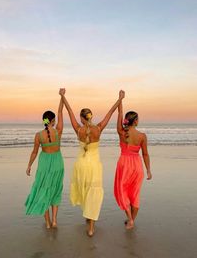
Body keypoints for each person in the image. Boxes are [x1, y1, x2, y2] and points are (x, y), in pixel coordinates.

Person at [59, 88, 124, 237]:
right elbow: (111, 112)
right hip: (94, 166)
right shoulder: (98, 128)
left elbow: (68, 111)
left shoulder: (78, 129)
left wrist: (63, 96)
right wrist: (120, 99)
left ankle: (87, 217)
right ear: (90, 117)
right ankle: (91, 228)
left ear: (82, 118)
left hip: (81, 165)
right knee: (93, 193)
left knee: (85, 190)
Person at [25, 92, 65, 229]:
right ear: (53, 121)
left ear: (44, 121)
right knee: (55, 190)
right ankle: (54, 220)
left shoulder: (38, 135)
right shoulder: (58, 131)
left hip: (44, 164)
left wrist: (29, 165)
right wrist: (62, 97)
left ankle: (47, 223)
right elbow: (60, 111)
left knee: (43, 190)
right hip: (57, 163)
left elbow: (35, 152)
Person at [114, 90, 152, 229]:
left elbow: (118, 114)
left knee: (123, 191)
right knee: (135, 194)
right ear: (135, 121)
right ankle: (131, 220)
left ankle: (130, 219)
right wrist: (148, 170)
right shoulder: (142, 136)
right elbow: (145, 155)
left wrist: (120, 99)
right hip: (136, 166)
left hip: (124, 165)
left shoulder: (121, 132)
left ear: (126, 120)